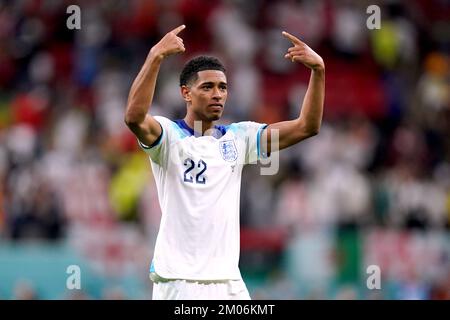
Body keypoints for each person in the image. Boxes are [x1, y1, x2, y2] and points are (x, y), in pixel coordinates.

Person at [124, 24, 325, 300]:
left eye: (222, 87)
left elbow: (306, 127)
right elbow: (134, 118)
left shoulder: (239, 137)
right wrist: (155, 57)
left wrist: (318, 71)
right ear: (186, 93)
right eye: (207, 87)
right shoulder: (169, 136)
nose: (217, 94)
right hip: (180, 280)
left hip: (228, 281)